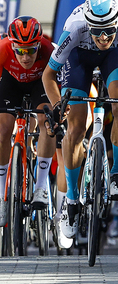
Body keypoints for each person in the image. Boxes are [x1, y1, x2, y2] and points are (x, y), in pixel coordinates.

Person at [42, 0, 118, 239]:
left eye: (108, 31)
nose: (103, 37)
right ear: (88, 24)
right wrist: (58, 104)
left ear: (117, 24)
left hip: (116, 56)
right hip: (79, 58)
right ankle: (71, 199)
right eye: (97, 31)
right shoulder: (74, 28)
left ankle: (117, 175)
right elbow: (47, 75)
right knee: (76, 126)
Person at [0, 16, 56, 225]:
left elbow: (57, 81)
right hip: (10, 84)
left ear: (38, 45)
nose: (25, 57)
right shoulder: (2, 49)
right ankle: (0, 195)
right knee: (3, 130)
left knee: (47, 122)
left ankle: (41, 187)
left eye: (31, 50)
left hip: (39, 84)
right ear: (12, 45)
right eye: (20, 51)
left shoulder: (48, 49)